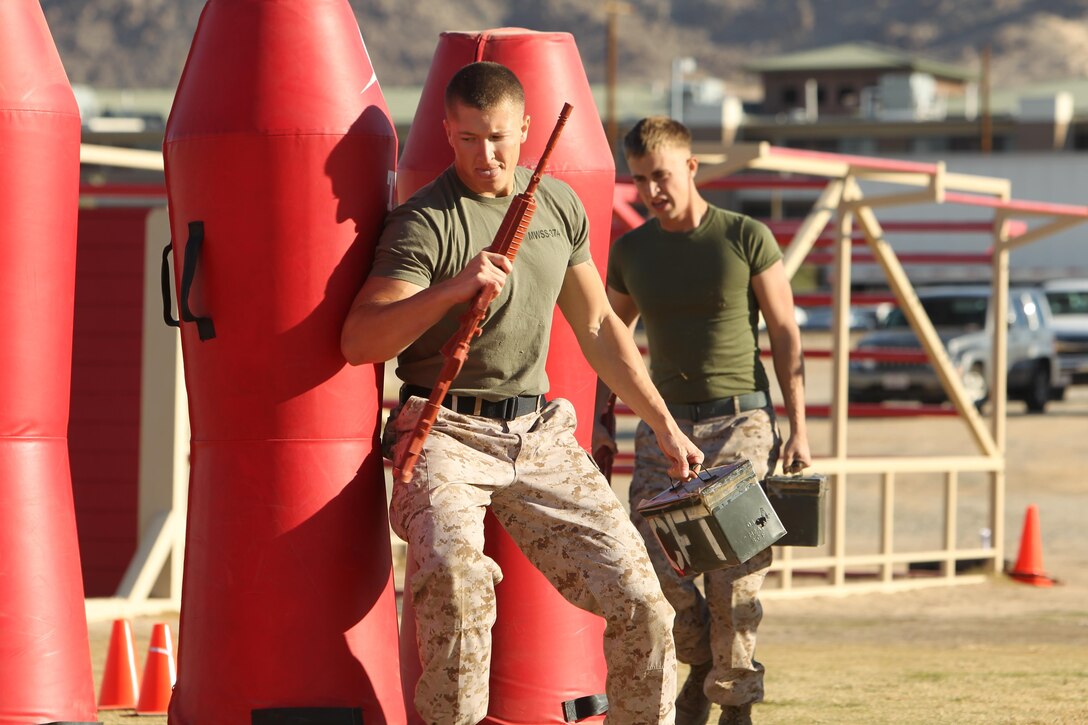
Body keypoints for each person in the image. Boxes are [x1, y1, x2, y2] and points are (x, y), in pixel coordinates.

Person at [340, 62, 704, 725]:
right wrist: (452, 288)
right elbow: (361, 340)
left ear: (527, 130)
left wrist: (663, 424)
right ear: (447, 132)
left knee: (645, 601)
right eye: (471, 138)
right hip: (443, 430)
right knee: (457, 580)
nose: (488, 154)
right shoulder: (425, 222)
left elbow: (598, 327)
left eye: (501, 137)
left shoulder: (557, 205)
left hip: (539, 435)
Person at [595, 117, 812, 725]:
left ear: (691, 168)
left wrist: (799, 426)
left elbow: (786, 332)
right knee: (652, 561)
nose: (652, 191)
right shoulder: (633, 252)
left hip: (741, 419)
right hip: (668, 429)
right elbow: (607, 341)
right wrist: (603, 417)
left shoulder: (744, 236)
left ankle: (735, 703)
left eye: (660, 176)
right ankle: (700, 665)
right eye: (639, 180)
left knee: (733, 574)